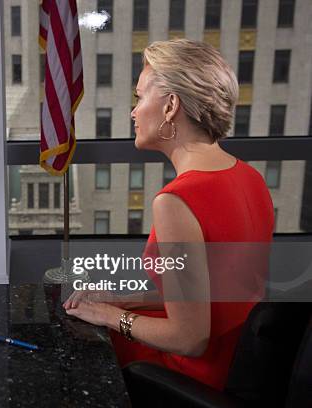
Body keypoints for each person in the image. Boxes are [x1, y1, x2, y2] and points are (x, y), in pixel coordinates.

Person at [63, 39, 274, 390]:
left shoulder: (177, 200)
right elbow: (217, 290)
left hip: (194, 377)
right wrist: (122, 297)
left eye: (140, 97)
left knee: (73, 353)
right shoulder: (250, 178)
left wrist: (110, 315)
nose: (134, 111)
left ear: (171, 105)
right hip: (244, 363)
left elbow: (190, 339)